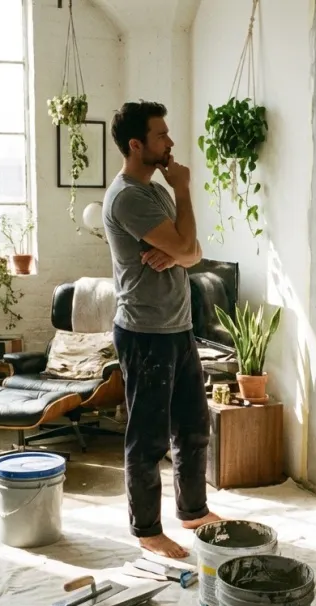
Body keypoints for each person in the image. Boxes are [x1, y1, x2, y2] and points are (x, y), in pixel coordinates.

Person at [102, 100, 222, 558]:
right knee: (148, 438)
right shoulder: (129, 196)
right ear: (136, 145)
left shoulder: (155, 190)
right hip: (145, 332)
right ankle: (148, 530)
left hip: (177, 326)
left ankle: (193, 511)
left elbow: (194, 250)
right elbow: (189, 248)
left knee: (192, 427)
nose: (170, 142)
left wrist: (178, 253)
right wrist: (185, 190)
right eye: (161, 135)